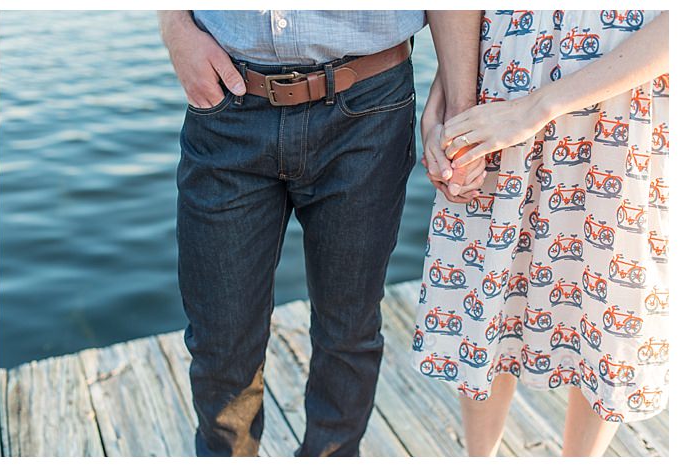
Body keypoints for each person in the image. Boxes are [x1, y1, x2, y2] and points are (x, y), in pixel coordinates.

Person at [158, 10, 425, 456]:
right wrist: (174, 26)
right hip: (227, 101)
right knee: (219, 339)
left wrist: (459, 96)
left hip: (367, 105)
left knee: (348, 329)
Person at [413, 10, 669, 456]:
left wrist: (537, 106)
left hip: (623, 92)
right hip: (501, 72)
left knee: (605, 302)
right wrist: (452, 97)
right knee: (488, 291)